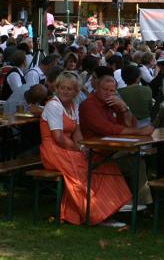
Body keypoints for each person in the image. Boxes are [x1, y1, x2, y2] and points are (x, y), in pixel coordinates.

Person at [39, 71, 131, 226]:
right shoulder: (53, 106)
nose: (65, 91)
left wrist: (84, 147)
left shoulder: (73, 106)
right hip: (54, 150)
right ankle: (96, 213)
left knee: (100, 161)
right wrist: (78, 149)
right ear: (57, 88)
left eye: (69, 89)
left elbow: (77, 132)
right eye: (62, 88)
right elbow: (58, 138)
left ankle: (112, 204)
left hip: (67, 148)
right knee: (83, 169)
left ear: (76, 91)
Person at [80, 74, 154, 210]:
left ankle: (143, 203)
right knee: (136, 160)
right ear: (96, 88)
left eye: (112, 90)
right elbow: (107, 129)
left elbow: (130, 125)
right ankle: (140, 203)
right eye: (105, 90)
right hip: (96, 154)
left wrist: (124, 108)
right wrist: (140, 132)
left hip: (112, 150)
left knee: (144, 158)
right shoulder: (89, 105)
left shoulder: (113, 104)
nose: (108, 93)